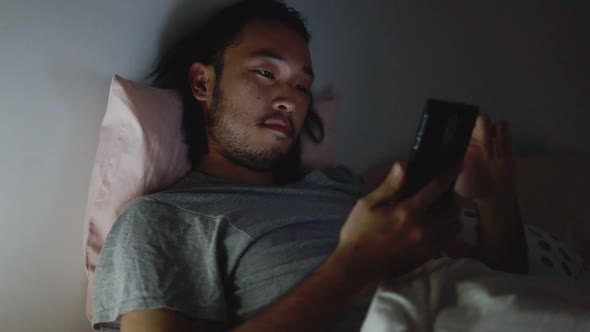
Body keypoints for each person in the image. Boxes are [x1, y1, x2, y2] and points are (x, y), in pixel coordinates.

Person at [91, 0, 527, 331]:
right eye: (266, 73)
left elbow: (503, 290)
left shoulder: (346, 189)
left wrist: (495, 203)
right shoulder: (161, 220)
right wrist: (355, 266)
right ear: (203, 82)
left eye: (302, 85)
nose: (291, 99)